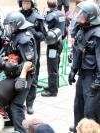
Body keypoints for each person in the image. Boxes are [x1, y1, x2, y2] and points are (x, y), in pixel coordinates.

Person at [68, 1, 100, 133]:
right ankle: (78, 128)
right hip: (82, 76)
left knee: (90, 111)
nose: (79, 17)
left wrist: (98, 82)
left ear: (91, 17)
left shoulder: (97, 35)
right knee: (78, 106)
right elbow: (78, 51)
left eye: (82, 15)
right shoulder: (82, 29)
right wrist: (73, 70)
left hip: (93, 79)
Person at [4, 11, 37, 132]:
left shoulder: (24, 39)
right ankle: (13, 121)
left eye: (10, 25)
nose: (9, 28)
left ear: (17, 24)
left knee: (17, 105)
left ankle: (20, 129)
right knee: (12, 100)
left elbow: (30, 64)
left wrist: (10, 66)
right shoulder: (17, 34)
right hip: (18, 74)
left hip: (25, 76)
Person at [18, 0, 46, 114]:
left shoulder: (37, 18)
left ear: (32, 4)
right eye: (24, 3)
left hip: (32, 51)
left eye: (28, 3)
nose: (25, 5)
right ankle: (19, 103)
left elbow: (43, 36)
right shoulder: (17, 15)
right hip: (19, 50)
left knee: (32, 79)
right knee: (19, 77)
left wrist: (33, 31)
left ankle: (30, 104)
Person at [41, 0, 66, 97]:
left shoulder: (50, 16)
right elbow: (65, 28)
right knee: (56, 65)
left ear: (48, 5)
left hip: (53, 45)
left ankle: (52, 90)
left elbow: (45, 29)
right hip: (60, 42)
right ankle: (54, 85)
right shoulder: (61, 14)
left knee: (52, 67)